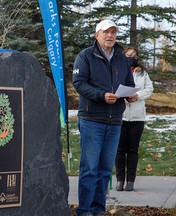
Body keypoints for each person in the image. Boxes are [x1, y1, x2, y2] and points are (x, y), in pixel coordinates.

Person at [72, 19, 137, 216]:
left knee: (104, 171)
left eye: (113, 32)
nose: (110, 36)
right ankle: (84, 212)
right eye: (105, 32)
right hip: (92, 120)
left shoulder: (122, 59)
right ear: (96, 35)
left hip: (115, 121)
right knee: (90, 170)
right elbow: (79, 83)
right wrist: (101, 95)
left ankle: (98, 211)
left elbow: (128, 83)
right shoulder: (85, 56)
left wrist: (130, 95)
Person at [115, 46, 154, 192]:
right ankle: (120, 180)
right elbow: (113, 88)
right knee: (120, 149)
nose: (131, 57)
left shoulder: (142, 73)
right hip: (121, 116)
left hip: (137, 117)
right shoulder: (117, 70)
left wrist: (137, 96)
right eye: (128, 55)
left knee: (133, 149)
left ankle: (130, 181)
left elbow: (149, 89)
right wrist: (121, 98)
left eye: (134, 55)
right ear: (123, 56)